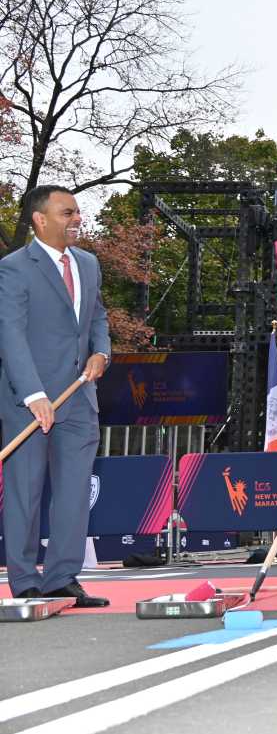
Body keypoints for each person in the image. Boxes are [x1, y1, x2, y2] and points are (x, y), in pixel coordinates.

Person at [0, 186, 110, 606]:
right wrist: (33, 394)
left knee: (73, 491)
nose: (76, 219)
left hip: (80, 397)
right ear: (40, 220)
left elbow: (97, 316)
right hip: (28, 401)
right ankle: (25, 581)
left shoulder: (88, 263)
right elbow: (9, 334)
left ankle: (63, 577)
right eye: (67, 213)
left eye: (77, 212)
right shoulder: (13, 269)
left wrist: (102, 351)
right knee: (25, 492)